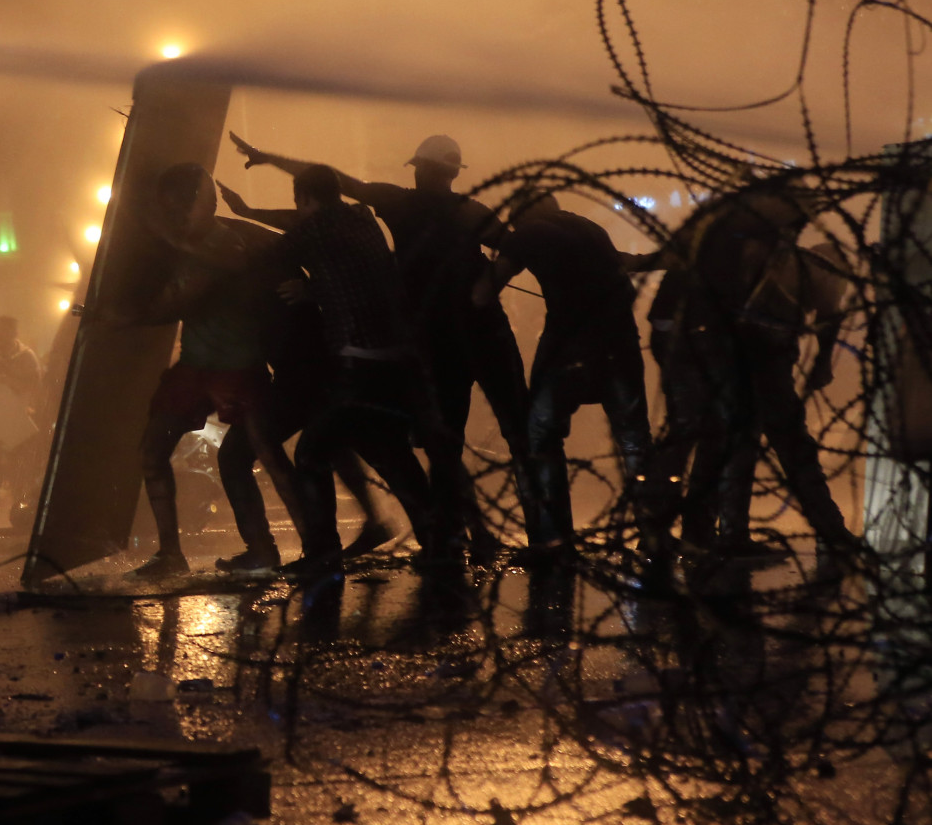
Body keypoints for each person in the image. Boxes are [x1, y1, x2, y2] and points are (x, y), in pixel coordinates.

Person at [226, 133, 525, 560]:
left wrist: (263, 174)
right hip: (463, 337)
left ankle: (441, 538)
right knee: (475, 440)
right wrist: (487, 284)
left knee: (424, 446)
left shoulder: (394, 203)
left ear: (419, 168)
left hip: (421, 347)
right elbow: (330, 196)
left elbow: (329, 193)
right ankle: (484, 535)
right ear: (454, 172)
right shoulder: (454, 212)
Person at [219, 164, 440, 575]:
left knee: (312, 452)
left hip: (358, 359)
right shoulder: (363, 219)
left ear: (304, 198)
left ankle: (323, 554)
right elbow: (344, 259)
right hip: (397, 357)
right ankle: (437, 539)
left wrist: (225, 228)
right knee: (389, 452)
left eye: (298, 205)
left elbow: (266, 254)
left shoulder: (313, 233)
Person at [645, 180, 855, 557]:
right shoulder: (773, 251)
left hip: (728, 359)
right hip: (749, 363)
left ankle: (703, 534)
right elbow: (827, 315)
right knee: (768, 446)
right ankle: (828, 534)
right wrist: (819, 364)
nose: (801, 225)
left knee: (720, 444)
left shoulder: (736, 243)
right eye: (798, 217)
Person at [122, 162, 311, 579]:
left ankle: (304, 549)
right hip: (197, 367)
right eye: (168, 209)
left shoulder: (225, 242)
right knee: (153, 452)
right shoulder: (186, 243)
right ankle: (175, 554)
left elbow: (174, 301)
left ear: (199, 204)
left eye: (178, 208)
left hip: (239, 369)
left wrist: (115, 316)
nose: (173, 217)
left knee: (263, 456)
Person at [474, 191, 656, 558]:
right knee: (634, 440)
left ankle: (555, 542)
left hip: (569, 348)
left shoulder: (528, 233)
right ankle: (654, 536)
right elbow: (622, 263)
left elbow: (482, 295)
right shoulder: (588, 228)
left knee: (541, 436)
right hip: (620, 343)